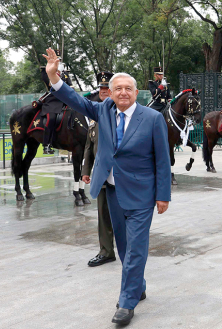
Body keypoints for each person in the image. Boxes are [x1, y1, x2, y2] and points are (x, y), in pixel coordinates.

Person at [43, 48, 171, 326]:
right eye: (118, 89)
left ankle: (127, 302)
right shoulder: (103, 110)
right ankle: (138, 285)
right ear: (110, 93)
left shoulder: (152, 119)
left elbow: (163, 159)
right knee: (123, 246)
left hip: (142, 194)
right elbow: (73, 98)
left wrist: (163, 195)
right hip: (112, 190)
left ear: (137, 93)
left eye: (128, 88)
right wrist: (54, 77)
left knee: (136, 246)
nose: (123, 93)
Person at [82, 71, 116, 267]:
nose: (104, 92)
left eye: (107, 89)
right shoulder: (95, 116)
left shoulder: (119, 112)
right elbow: (89, 145)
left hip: (121, 175)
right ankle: (106, 251)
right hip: (102, 175)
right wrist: (86, 170)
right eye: (102, 89)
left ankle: (130, 250)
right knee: (103, 214)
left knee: (125, 214)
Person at [39, 49, 70, 154]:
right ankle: (46, 145)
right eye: (56, 60)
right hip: (53, 100)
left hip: (67, 100)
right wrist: (55, 73)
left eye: (59, 60)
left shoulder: (65, 74)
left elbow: (71, 87)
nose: (58, 62)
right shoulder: (47, 72)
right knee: (51, 118)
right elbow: (51, 85)